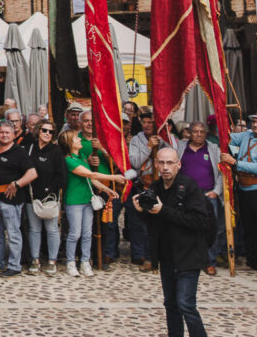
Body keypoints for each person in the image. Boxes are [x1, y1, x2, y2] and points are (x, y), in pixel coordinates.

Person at [137, 147, 212, 337]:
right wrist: (142, 211)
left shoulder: (189, 187)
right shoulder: (155, 188)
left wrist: (163, 211)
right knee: (170, 305)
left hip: (189, 254)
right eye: (161, 162)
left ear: (178, 164)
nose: (165, 167)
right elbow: (154, 224)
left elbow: (199, 221)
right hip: (167, 255)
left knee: (186, 304)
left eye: (170, 163)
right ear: (156, 164)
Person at [59, 128, 125, 276]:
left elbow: (91, 179)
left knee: (88, 233)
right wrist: (114, 178)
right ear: (70, 143)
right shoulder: (68, 160)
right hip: (74, 200)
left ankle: (84, 262)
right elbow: (90, 173)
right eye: (76, 138)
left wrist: (106, 189)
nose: (80, 140)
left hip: (87, 199)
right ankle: (70, 262)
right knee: (75, 233)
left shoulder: (82, 155)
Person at [0, 120, 37, 277]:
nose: (4, 135)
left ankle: (14, 265)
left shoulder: (19, 152)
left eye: (8, 132)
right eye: (1, 132)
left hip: (11, 199)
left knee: (13, 234)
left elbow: (32, 173)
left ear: (14, 134)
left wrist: (17, 183)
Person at [176, 122, 226, 275]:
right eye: (195, 132)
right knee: (183, 228)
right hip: (185, 195)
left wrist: (216, 192)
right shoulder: (180, 147)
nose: (198, 135)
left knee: (211, 229)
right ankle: (185, 260)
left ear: (206, 133)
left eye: (201, 132)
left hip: (208, 195)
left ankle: (209, 261)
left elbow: (220, 172)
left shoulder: (213, 149)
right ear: (189, 133)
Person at [124, 110, 167, 269]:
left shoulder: (163, 139)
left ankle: (157, 255)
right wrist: (148, 148)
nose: (148, 125)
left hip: (160, 184)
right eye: (145, 122)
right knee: (139, 223)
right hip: (142, 183)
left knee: (158, 222)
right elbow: (134, 162)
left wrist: (163, 142)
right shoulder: (136, 140)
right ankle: (139, 254)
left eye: (151, 122)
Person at [25, 119, 65, 275]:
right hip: (31, 196)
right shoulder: (29, 148)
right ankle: (35, 260)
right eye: (44, 130)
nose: (48, 134)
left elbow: (61, 177)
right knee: (34, 229)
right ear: (38, 131)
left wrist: (50, 190)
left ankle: (51, 261)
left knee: (52, 229)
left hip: (50, 198)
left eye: (51, 132)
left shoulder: (56, 151)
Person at [227, 112, 257, 270]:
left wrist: (235, 163)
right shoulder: (246, 135)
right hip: (244, 188)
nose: (254, 125)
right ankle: (252, 259)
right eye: (253, 122)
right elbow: (229, 137)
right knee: (248, 226)